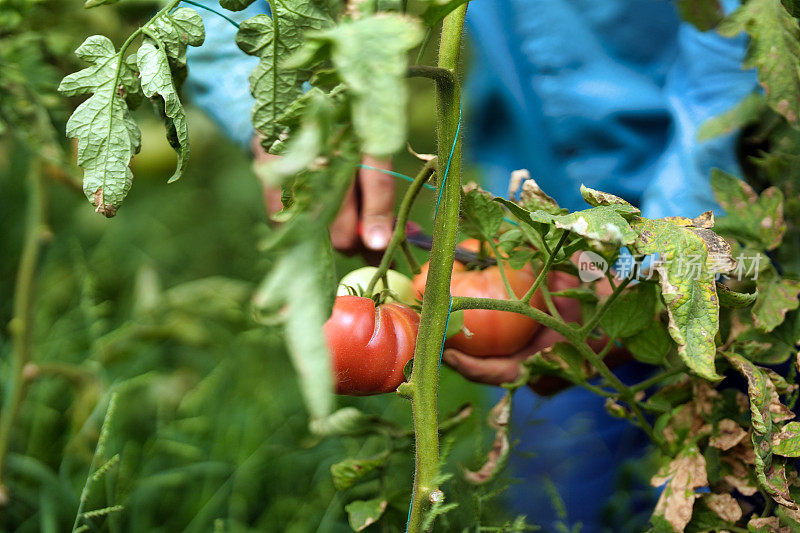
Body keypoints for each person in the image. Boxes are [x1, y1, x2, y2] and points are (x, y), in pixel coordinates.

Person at [186, 0, 757, 529]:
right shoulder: (482, 282)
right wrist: (278, 113)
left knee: (748, 481)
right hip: (545, 255)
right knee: (559, 501)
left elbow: (740, 47)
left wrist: (655, 270)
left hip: (743, 225)